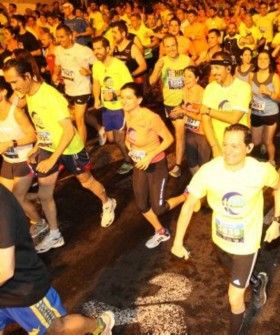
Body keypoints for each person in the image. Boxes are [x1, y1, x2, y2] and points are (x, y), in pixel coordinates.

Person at [171, 124, 280, 335]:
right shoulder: (209, 171)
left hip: (246, 244)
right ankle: (257, 280)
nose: (228, 151)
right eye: (225, 145)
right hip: (219, 240)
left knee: (234, 297)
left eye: (235, 146)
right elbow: (188, 206)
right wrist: (177, 242)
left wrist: (277, 221)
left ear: (249, 147)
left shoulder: (260, 171)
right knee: (234, 274)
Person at [3, 58, 117, 254]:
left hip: (70, 149)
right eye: (10, 83)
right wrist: (38, 147)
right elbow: (44, 126)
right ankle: (55, 234)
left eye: (15, 82)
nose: (13, 87)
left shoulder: (49, 96)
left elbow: (68, 131)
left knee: (87, 182)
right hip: (49, 148)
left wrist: (53, 159)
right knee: (45, 195)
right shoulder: (30, 94)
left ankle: (108, 202)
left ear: (28, 76)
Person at [0, 184, 115, 335]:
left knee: (57, 328)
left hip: (22, 289)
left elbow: (6, 269)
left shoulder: (1, 204)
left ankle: (99, 326)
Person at [121, 82, 186, 249]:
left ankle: (186, 196)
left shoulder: (150, 117)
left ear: (139, 100)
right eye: (122, 97)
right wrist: (130, 148)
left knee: (159, 208)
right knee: (142, 204)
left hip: (156, 165)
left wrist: (149, 156)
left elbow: (169, 139)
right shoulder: (127, 113)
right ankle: (161, 231)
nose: (124, 101)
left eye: (129, 98)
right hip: (140, 164)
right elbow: (129, 135)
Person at [0, 77, 48, 239]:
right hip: (8, 161)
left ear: (3, 91)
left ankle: (40, 223)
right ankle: (39, 198)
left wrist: (10, 143)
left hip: (24, 160)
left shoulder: (16, 112)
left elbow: (32, 135)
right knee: (4, 197)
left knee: (16, 198)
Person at [149, 34, 192, 178]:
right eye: (168, 46)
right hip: (169, 103)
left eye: (173, 45)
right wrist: (156, 68)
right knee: (180, 131)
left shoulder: (186, 60)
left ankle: (178, 165)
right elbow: (151, 82)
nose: (171, 48)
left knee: (179, 132)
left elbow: (195, 79)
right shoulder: (162, 62)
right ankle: (189, 150)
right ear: (164, 48)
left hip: (184, 102)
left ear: (177, 45)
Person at [92, 36, 135, 175]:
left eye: (99, 48)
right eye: (94, 49)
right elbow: (96, 83)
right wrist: (96, 99)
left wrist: (115, 94)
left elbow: (130, 85)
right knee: (111, 139)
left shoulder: (119, 66)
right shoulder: (97, 65)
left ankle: (130, 161)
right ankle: (133, 144)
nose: (96, 51)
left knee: (118, 138)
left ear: (108, 49)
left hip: (120, 107)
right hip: (106, 107)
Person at [54, 24, 102, 145]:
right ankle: (100, 128)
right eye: (58, 37)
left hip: (82, 89)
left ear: (70, 36)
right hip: (69, 89)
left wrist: (89, 72)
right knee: (80, 116)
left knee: (79, 120)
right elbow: (58, 65)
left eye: (62, 37)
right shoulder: (58, 50)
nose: (60, 40)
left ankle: (82, 152)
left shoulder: (84, 50)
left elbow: (99, 65)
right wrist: (55, 74)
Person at [201, 51, 252, 157]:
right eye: (212, 68)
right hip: (218, 146)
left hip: (238, 146)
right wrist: (214, 147)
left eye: (217, 68)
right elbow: (205, 120)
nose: (213, 72)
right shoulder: (210, 88)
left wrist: (208, 110)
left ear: (228, 68)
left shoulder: (243, 88)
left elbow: (234, 118)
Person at [169, 65, 209, 175]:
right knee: (192, 164)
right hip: (191, 132)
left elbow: (202, 117)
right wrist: (177, 111)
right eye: (184, 76)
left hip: (203, 135)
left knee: (204, 166)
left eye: (189, 76)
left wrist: (184, 112)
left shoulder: (203, 93)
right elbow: (186, 107)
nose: (186, 79)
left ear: (197, 79)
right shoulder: (184, 90)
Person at [249, 50, 280, 166]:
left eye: (265, 59)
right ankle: (262, 143)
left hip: (270, 113)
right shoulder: (252, 75)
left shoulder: (274, 77)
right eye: (260, 59)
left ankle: (272, 161)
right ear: (256, 61)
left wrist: (269, 92)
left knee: (268, 141)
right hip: (256, 113)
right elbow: (250, 93)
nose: (262, 61)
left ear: (270, 61)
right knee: (256, 141)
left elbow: (279, 99)